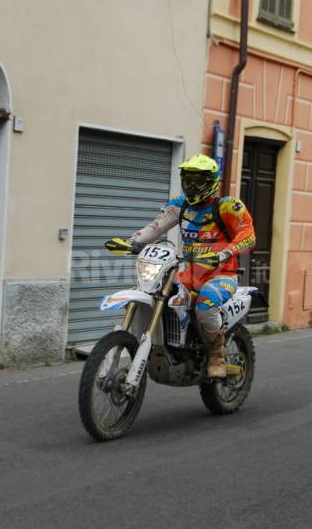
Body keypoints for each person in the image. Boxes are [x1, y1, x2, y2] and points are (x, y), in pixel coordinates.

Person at [106, 153, 256, 378]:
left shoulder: (227, 206)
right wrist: (132, 242)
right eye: (188, 180)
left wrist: (226, 252)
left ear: (211, 181)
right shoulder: (180, 205)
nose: (192, 186)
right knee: (156, 291)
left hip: (221, 276)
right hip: (188, 273)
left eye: (199, 181)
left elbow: (248, 235)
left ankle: (216, 355)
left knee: (205, 304)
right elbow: (156, 227)